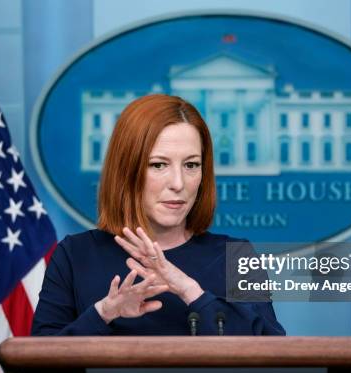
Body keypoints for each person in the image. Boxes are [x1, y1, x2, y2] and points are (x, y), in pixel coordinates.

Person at [31, 94, 285, 336]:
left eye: (191, 165)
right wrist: (104, 313)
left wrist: (190, 291)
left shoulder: (236, 255)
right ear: (126, 171)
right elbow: (39, 368)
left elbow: (275, 358)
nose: (178, 183)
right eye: (158, 165)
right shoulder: (75, 255)